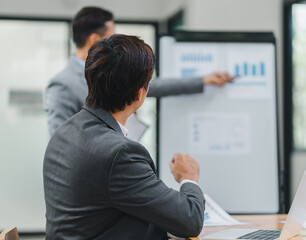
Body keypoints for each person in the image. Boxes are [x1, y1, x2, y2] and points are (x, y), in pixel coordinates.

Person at [43, 34, 205, 239]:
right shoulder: (119, 154)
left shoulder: (64, 132)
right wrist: (188, 178)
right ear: (140, 94)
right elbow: (190, 220)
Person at [45, 7, 232, 136]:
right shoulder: (62, 85)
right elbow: (60, 142)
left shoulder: (113, 70)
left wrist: (203, 81)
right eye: (111, 36)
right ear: (94, 40)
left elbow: (152, 85)